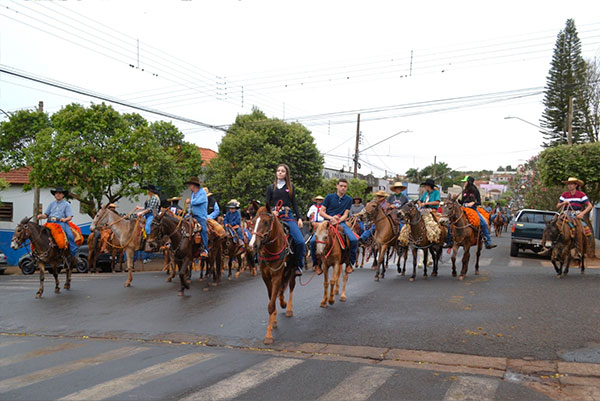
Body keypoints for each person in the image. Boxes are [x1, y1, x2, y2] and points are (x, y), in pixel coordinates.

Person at [311, 178, 358, 275]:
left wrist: (338, 220)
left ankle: (350, 263)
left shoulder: (349, 199)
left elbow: (346, 214)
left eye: (345, 186)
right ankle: (316, 264)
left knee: (353, 240)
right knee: (312, 241)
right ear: (337, 186)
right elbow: (321, 212)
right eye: (341, 186)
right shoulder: (329, 197)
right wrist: (331, 218)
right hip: (327, 222)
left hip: (341, 223)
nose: (343, 188)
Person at [265, 164, 305, 276]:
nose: (280, 172)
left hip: (287, 216)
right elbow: (267, 204)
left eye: (283, 171)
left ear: (286, 173)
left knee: (300, 241)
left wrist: (299, 218)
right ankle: (261, 260)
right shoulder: (270, 187)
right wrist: (271, 212)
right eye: (278, 170)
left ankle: (298, 265)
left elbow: (294, 204)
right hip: (274, 217)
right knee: (261, 235)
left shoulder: (290, 187)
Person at [36, 186, 78, 259]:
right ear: (54, 195)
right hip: (50, 222)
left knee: (70, 236)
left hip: (61, 223)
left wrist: (65, 220)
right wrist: (41, 216)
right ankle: (37, 252)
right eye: (56, 193)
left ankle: (75, 254)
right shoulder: (52, 204)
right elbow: (46, 215)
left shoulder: (66, 204)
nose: (58, 194)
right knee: (39, 233)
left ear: (63, 195)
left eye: (60, 193)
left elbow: (70, 217)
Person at [459, 176, 496, 249]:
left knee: (483, 223)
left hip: (472, 209)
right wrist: (458, 201)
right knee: (451, 220)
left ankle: (488, 241)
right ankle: (450, 240)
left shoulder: (475, 191)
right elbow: (462, 201)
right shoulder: (464, 191)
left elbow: (479, 202)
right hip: (463, 208)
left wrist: (473, 203)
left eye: (465, 182)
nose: (463, 183)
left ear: (468, 182)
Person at [184, 176, 208, 258]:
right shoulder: (193, 194)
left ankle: (205, 249)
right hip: (191, 215)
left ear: (193, 185)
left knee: (203, 230)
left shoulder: (202, 193)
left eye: (190, 185)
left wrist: (190, 201)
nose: (189, 187)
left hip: (200, 216)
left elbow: (198, 201)